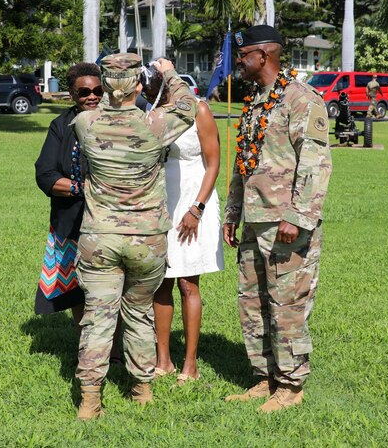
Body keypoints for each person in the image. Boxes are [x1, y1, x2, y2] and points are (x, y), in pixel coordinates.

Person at [72, 53, 197, 420]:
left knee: (98, 318)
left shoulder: (85, 122)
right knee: (139, 312)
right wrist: (169, 72)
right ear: (138, 85)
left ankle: (90, 401)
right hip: (147, 239)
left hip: (100, 237)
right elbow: (188, 104)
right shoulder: (155, 124)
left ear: (106, 84)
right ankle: (141, 390)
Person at [222, 25, 332, 413]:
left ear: (264, 55)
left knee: (287, 302)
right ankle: (264, 377)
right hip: (254, 220)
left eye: (244, 55)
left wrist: (298, 217)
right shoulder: (256, 100)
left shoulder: (301, 99)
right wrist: (233, 211)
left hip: (286, 223)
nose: (239, 61)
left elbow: (316, 163)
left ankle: (291, 385)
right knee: (252, 301)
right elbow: (244, 161)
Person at [144, 69, 223, 386]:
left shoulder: (199, 109)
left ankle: (190, 364)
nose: (148, 95)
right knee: (160, 282)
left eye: (151, 89)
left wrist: (197, 208)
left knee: (188, 283)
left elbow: (214, 162)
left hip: (193, 202)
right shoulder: (152, 116)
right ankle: (163, 359)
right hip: (161, 205)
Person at [33, 63, 103, 323]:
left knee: (114, 288)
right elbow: (46, 175)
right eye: (84, 92)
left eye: (98, 90)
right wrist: (81, 188)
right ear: (72, 94)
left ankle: (116, 352)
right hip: (73, 220)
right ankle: (87, 347)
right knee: (78, 290)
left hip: (114, 221)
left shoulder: (118, 122)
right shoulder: (62, 125)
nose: (92, 96)